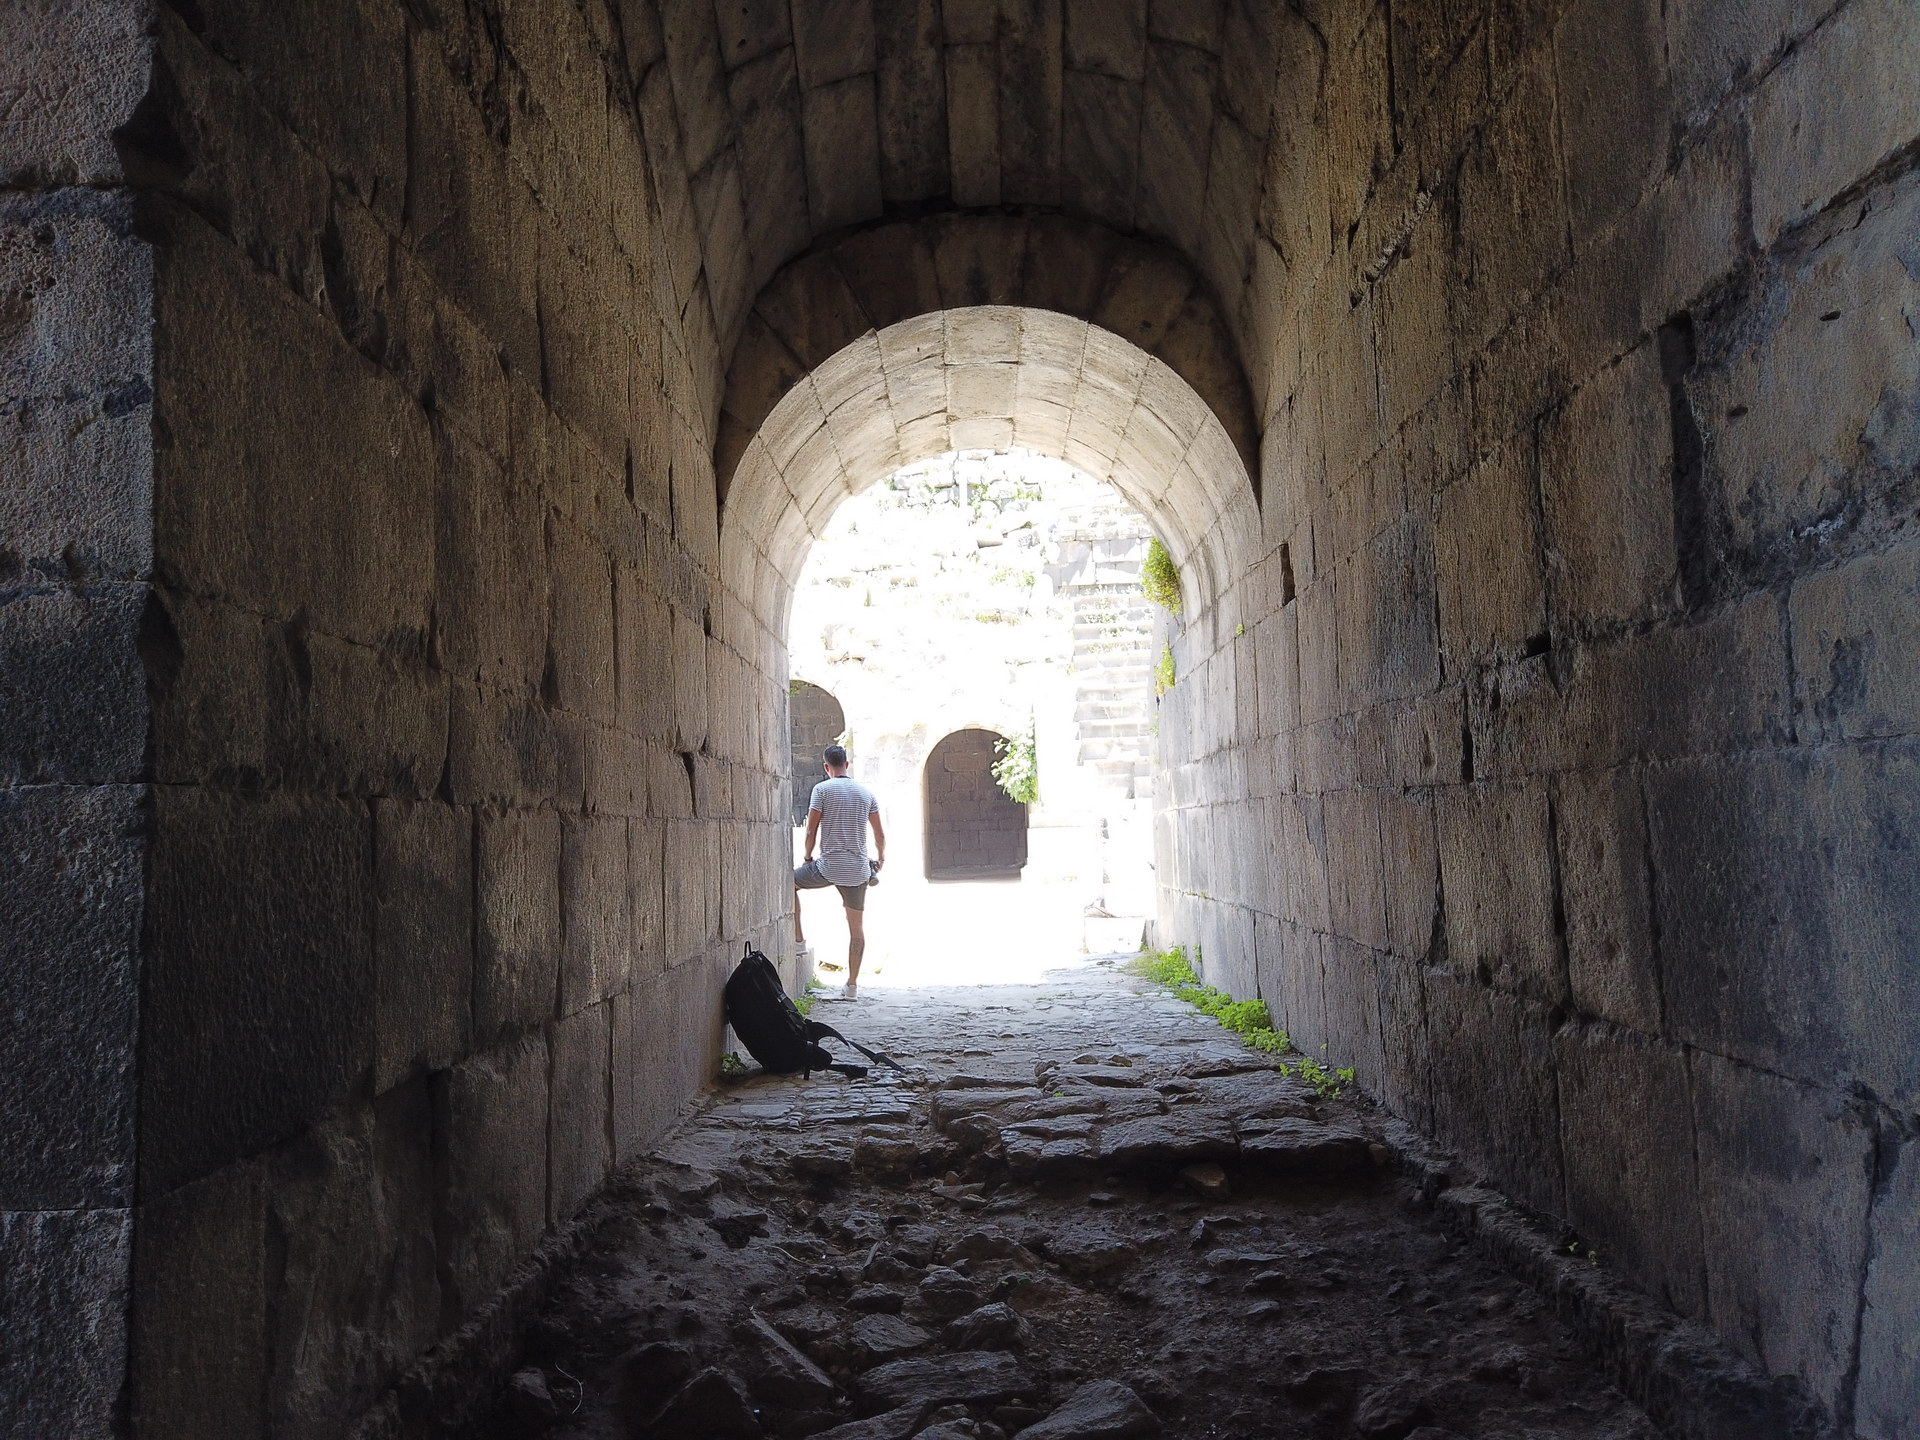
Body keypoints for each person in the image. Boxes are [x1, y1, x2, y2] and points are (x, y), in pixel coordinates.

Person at [792, 745, 885, 997]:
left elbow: (811, 830)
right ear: (847, 764)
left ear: (826, 767)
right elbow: (879, 834)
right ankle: (852, 986)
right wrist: (881, 858)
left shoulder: (821, 790)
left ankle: (799, 941)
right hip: (857, 870)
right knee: (857, 929)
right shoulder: (866, 793)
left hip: (828, 867)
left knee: (789, 884)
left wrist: (807, 857)